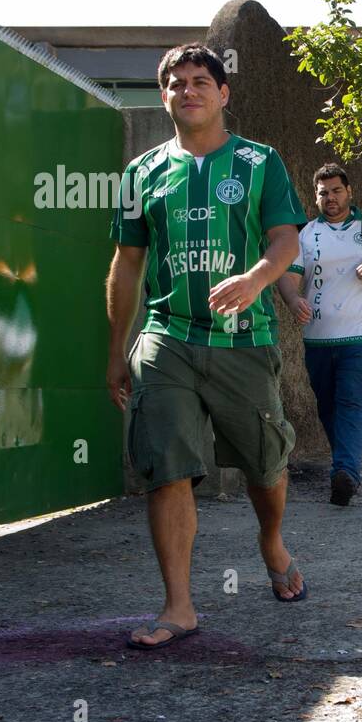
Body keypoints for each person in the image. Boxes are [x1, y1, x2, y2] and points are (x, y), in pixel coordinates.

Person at [107, 43, 308, 648]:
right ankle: (179, 606)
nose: (187, 90)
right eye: (175, 82)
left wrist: (257, 278)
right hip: (166, 338)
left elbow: (285, 241)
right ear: (163, 95)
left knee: (266, 464)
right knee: (165, 467)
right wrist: (118, 349)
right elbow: (126, 264)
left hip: (244, 342)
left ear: (223, 94)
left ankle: (271, 541)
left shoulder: (260, 161)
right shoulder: (141, 173)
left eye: (201, 81)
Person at [278, 163, 362, 505]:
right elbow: (289, 276)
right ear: (316, 196)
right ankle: (344, 465)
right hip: (318, 339)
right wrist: (294, 299)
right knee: (327, 407)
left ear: (349, 192)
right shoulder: (305, 234)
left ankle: (345, 474)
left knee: (351, 403)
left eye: (337, 191)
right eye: (324, 193)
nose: (331, 198)